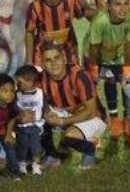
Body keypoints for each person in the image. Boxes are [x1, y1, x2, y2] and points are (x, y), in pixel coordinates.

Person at [85, 0, 130, 150]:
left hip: (118, 56)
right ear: (108, 6)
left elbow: (129, 45)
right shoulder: (100, 21)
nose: (123, 8)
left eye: (126, 4)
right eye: (117, 4)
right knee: (92, 95)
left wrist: (127, 68)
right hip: (94, 56)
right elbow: (94, 48)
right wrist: (94, 69)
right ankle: (96, 133)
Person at [39, 42, 106, 170]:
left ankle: (89, 150)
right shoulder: (42, 78)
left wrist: (62, 121)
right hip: (66, 113)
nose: (53, 63)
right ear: (42, 64)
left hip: (94, 117)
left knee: (70, 135)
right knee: (37, 119)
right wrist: (46, 113)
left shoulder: (80, 75)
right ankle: (52, 155)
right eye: (48, 60)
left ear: (64, 58)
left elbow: (91, 111)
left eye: (57, 58)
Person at [25, 0, 91, 66]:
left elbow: (85, 13)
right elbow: (29, 32)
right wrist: (29, 61)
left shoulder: (71, 0)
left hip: (68, 52)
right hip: (43, 53)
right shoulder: (35, 5)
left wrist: (103, 13)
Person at [13, 65, 44, 176]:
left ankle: (36, 165)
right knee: (22, 145)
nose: (17, 85)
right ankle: (22, 164)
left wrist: (34, 116)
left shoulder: (40, 93)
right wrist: (20, 117)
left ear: (30, 82)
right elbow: (15, 110)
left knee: (36, 147)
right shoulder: (17, 95)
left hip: (36, 127)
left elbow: (42, 109)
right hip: (22, 127)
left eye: (20, 82)